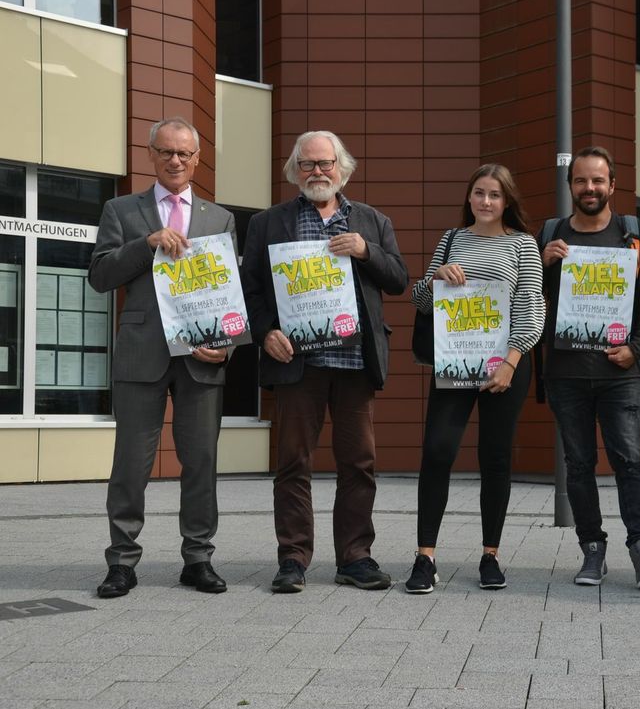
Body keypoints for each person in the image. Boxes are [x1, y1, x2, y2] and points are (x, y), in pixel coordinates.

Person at [241, 130, 408, 593]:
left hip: (355, 362)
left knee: (359, 463)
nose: (318, 172)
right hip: (298, 362)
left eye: (326, 163)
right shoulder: (268, 223)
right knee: (293, 462)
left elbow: (398, 279)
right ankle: (293, 558)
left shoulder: (372, 221)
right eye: (308, 164)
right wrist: (264, 332)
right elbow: (249, 290)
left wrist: (365, 251)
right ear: (295, 171)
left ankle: (355, 557)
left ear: (343, 168)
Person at [89, 117, 236, 598]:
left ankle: (198, 558)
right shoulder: (121, 209)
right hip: (142, 352)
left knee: (202, 461)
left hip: (201, 355)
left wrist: (229, 343)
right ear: (150, 155)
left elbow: (232, 293)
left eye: (185, 153)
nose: (176, 160)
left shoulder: (220, 219)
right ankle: (122, 561)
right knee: (131, 462)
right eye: (167, 152)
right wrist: (145, 243)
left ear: (197, 159)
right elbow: (100, 275)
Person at [540, 147, 640, 589]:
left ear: (612, 185)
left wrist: (638, 348)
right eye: (581, 181)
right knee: (578, 465)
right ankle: (592, 552)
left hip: (620, 371)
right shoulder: (551, 235)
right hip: (566, 373)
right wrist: (543, 265)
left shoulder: (634, 235)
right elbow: (529, 301)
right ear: (571, 187)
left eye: (598, 180)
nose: (590, 188)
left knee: (629, 461)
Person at [405, 163, 544, 594]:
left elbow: (532, 308)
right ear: (469, 197)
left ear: (507, 202)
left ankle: (491, 556)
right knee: (438, 450)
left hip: (506, 366)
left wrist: (511, 361)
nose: (486, 201)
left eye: (495, 195)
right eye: (480, 193)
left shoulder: (523, 245)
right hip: (455, 364)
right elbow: (422, 300)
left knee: (495, 456)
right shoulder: (451, 240)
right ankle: (425, 557)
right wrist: (435, 277)